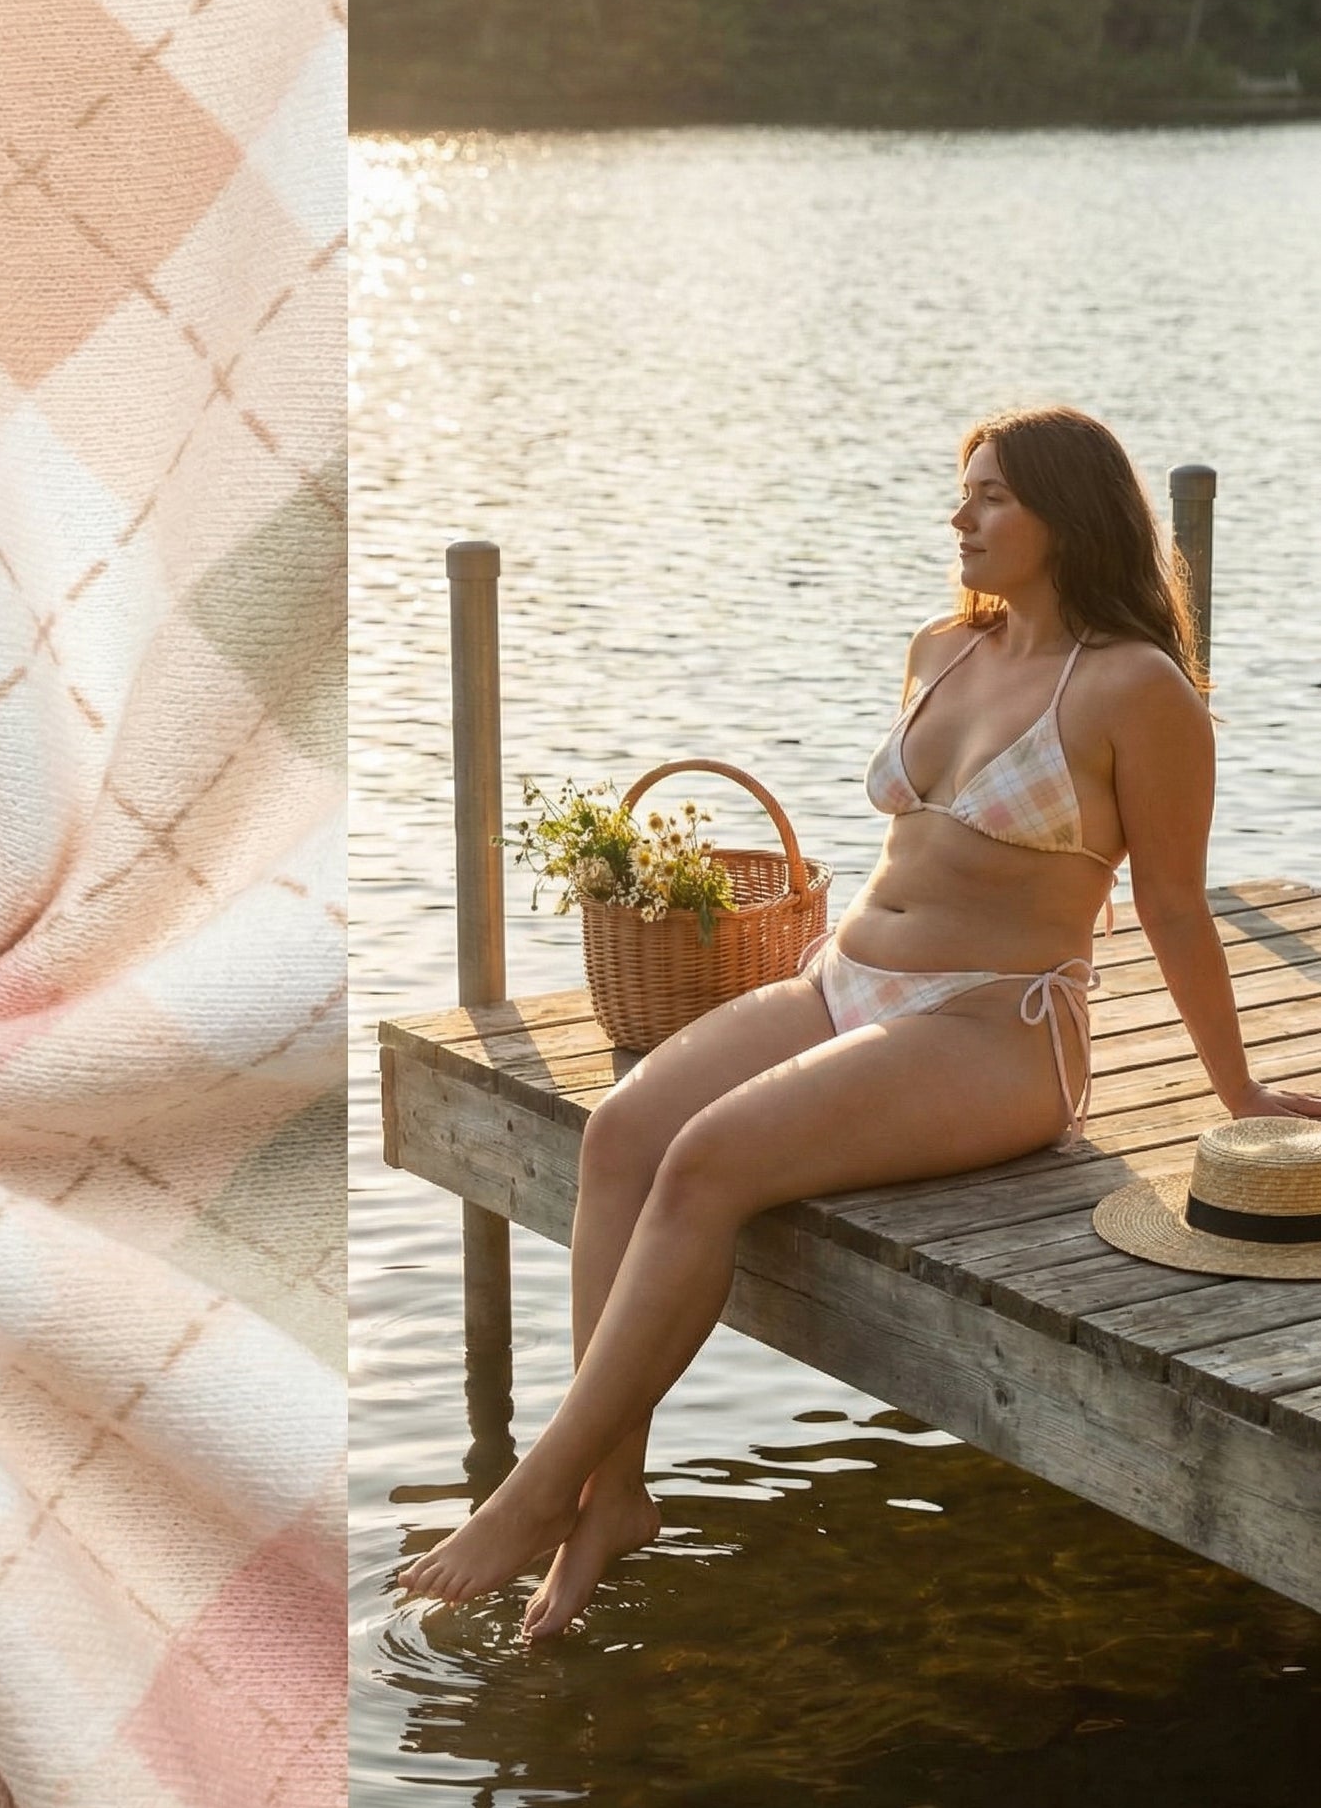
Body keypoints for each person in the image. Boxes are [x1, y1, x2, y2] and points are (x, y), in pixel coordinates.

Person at [397, 404, 1321, 1640]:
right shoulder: (941, 643)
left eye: (990, 495)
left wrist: (1236, 1088)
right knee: (620, 1132)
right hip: (844, 980)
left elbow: (1167, 903)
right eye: (963, 491)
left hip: (994, 1031)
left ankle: (532, 1490)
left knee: (707, 1160)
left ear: (1066, 513)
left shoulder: (1134, 689)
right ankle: (610, 1491)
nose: (960, 515)